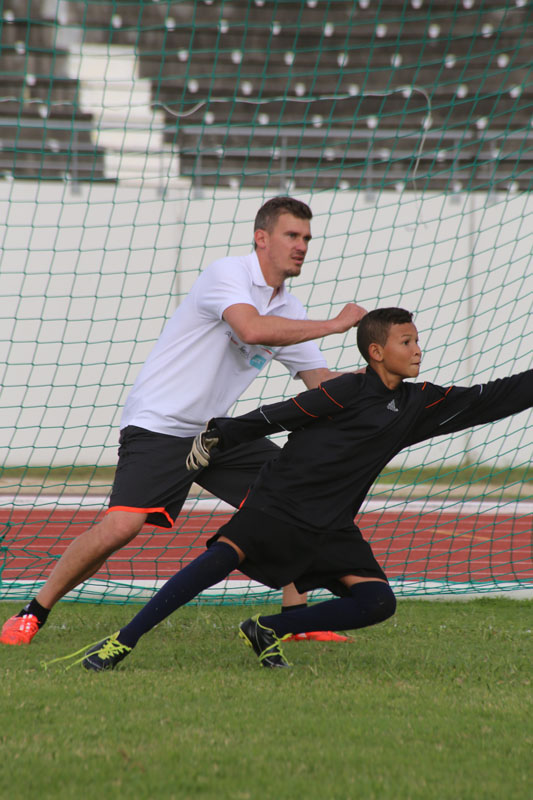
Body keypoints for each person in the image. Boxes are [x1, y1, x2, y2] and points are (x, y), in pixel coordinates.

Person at [53, 306, 532, 671]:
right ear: (377, 352)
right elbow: (280, 414)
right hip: (277, 505)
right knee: (211, 567)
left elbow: (491, 399)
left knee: (378, 602)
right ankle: (122, 642)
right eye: (407, 341)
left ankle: (267, 628)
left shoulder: (418, 403)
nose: (418, 349)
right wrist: (219, 434)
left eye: (418, 340)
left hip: (331, 525)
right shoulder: (346, 390)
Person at [1, 196, 367, 647]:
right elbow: (251, 329)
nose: (302, 246)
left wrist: (373, 379)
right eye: (292, 235)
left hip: (217, 433)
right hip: (160, 423)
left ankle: (299, 618)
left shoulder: (291, 312)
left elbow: (320, 381)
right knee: (122, 526)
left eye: (307, 238)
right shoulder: (227, 274)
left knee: (293, 498)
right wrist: (334, 325)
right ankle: (33, 612)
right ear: (262, 238)